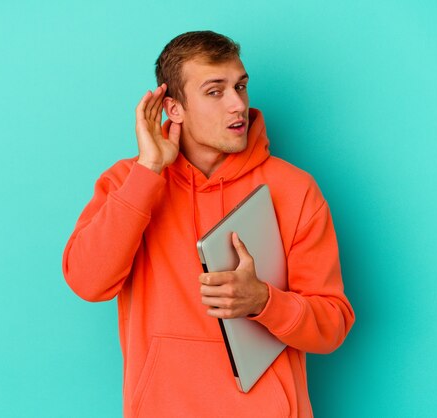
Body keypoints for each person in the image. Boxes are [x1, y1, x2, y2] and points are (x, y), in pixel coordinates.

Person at [62, 30, 355, 418]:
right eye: (215, 91)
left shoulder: (294, 189)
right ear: (174, 108)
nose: (238, 104)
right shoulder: (126, 182)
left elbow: (332, 324)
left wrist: (264, 301)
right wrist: (148, 171)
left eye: (241, 86)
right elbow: (87, 282)